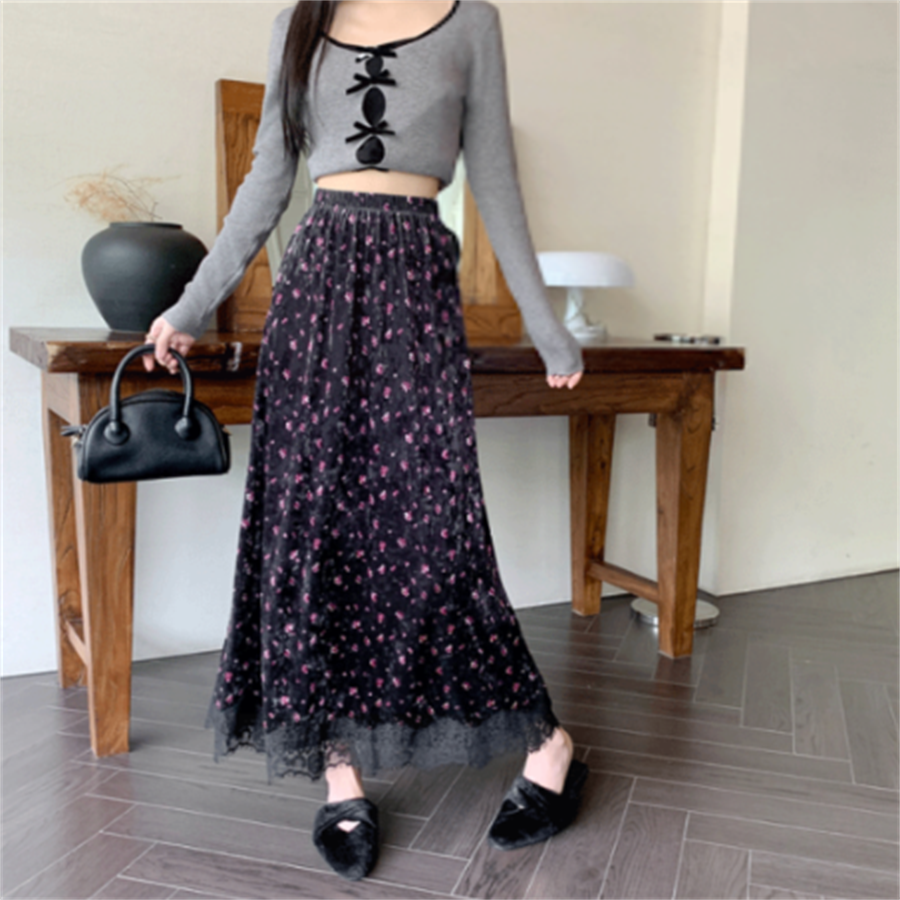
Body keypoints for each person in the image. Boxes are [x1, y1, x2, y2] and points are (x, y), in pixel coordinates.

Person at [143, 0, 588, 881]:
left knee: (439, 533)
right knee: (315, 533)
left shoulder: (472, 22)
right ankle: (339, 772)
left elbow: (496, 181)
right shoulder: (297, 21)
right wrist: (191, 305)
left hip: (416, 288)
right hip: (315, 290)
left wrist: (548, 329)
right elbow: (268, 180)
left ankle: (550, 744)